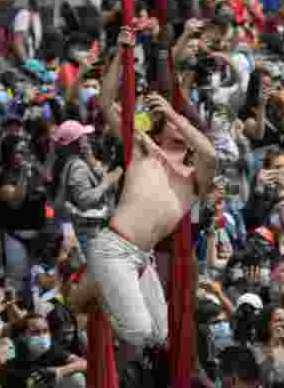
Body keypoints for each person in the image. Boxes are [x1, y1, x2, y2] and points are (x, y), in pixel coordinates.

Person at [68, 24, 217, 351]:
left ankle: (98, 289)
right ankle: (91, 290)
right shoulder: (143, 147)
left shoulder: (195, 180)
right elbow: (106, 102)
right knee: (137, 332)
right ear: (161, 128)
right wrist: (121, 55)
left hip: (142, 257)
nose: (180, 127)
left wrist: (175, 116)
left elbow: (209, 153)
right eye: (174, 123)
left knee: (158, 336)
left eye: (186, 123)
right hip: (114, 246)